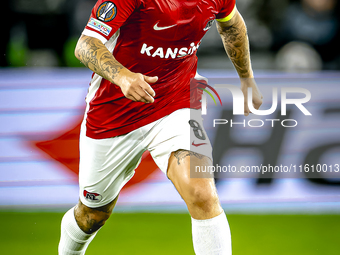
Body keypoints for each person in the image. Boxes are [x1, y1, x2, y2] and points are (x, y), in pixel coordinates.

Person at [58, 0, 263, 254]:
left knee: (201, 192)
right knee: (91, 216)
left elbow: (232, 26)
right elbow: (85, 45)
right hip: (114, 114)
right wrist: (123, 77)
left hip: (176, 103)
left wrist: (247, 80)